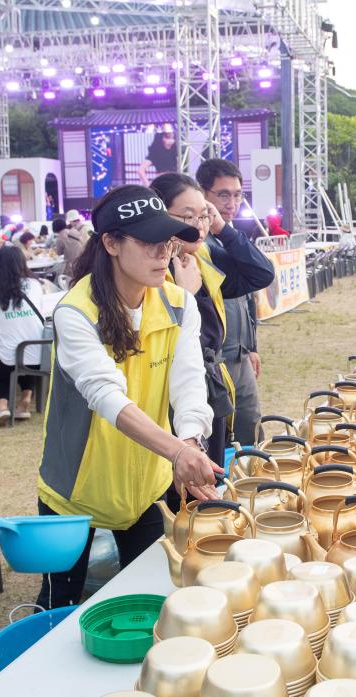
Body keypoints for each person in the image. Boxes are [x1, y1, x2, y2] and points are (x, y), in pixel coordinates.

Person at [36, 185, 221, 609]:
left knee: (148, 600)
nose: (164, 253)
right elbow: (105, 395)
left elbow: (190, 382)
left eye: (168, 242)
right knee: (59, 606)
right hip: (74, 494)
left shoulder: (178, 304)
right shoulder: (76, 311)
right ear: (111, 243)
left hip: (146, 490)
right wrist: (177, 452)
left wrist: (190, 441)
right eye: (149, 242)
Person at [152, 172, 275, 466]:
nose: (199, 226)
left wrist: (221, 226)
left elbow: (262, 274)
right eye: (188, 216)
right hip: (172, 396)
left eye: (204, 216)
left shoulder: (202, 257)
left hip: (211, 385)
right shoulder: (153, 271)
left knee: (220, 464)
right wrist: (186, 295)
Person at [197, 157, 276, 445]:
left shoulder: (230, 238)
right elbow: (261, 273)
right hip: (215, 360)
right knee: (218, 439)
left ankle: (254, 485)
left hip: (240, 356)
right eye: (223, 195)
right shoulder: (201, 244)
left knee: (251, 430)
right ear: (203, 195)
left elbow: (251, 293)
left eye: (238, 195)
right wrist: (220, 229)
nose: (232, 203)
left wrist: (252, 346)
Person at [0, 245, 45, 426]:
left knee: (3, 371)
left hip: (9, 351)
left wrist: (3, 317)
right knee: (29, 358)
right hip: (39, 349)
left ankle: (2, 406)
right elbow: (39, 310)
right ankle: (25, 399)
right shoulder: (34, 283)